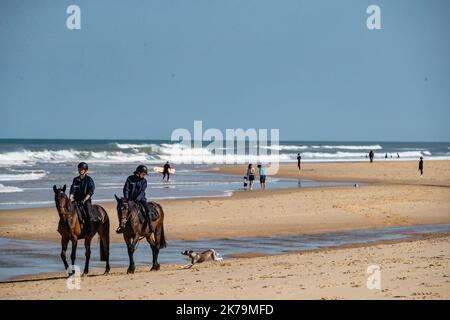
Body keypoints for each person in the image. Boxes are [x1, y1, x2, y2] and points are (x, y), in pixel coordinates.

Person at [116, 165, 157, 234]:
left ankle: (150, 224)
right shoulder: (130, 178)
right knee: (123, 210)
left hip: (141, 199)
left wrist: (138, 198)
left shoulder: (144, 181)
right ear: (138, 172)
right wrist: (126, 198)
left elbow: (142, 191)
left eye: (145, 174)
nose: (144, 175)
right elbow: (126, 189)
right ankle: (122, 226)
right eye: (143, 174)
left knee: (147, 209)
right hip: (129, 199)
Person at [69, 162, 97, 234]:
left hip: (86, 200)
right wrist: (70, 197)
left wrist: (84, 200)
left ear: (85, 170)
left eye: (82, 169)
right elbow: (72, 190)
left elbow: (91, 191)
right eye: (79, 169)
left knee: (88, 212)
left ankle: (90, 229)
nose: (80, 170)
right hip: (76, 200)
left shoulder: (89, 180)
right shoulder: (75, 180)